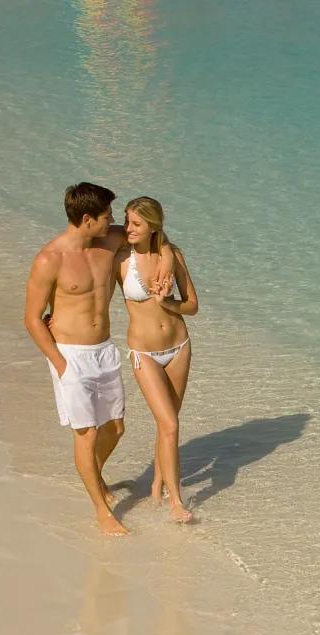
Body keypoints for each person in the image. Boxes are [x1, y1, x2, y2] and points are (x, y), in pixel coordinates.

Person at [23, 181, 131, 535]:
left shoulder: (109, 242)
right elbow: (32, 318)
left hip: (104, 351)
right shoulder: (49, 259)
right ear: (87, 219)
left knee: (115, 428)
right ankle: (102, 513)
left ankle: (93, 476)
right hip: (71, 356)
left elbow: (149, 228)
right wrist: (60, 364)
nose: (113, 222)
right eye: (106, 216)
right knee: (85, 436)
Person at [118, 196, 199, 524]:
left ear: (154, 225)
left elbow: (192, 304)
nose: (128, 228)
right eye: (126, 221)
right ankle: (175, 501)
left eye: (136, 224)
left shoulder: (173, 255)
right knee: (170, 423)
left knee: (168, 424)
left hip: (179, 347)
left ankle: (155, 484)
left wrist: (169, 303)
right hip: (144, 352)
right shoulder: (121, 259)